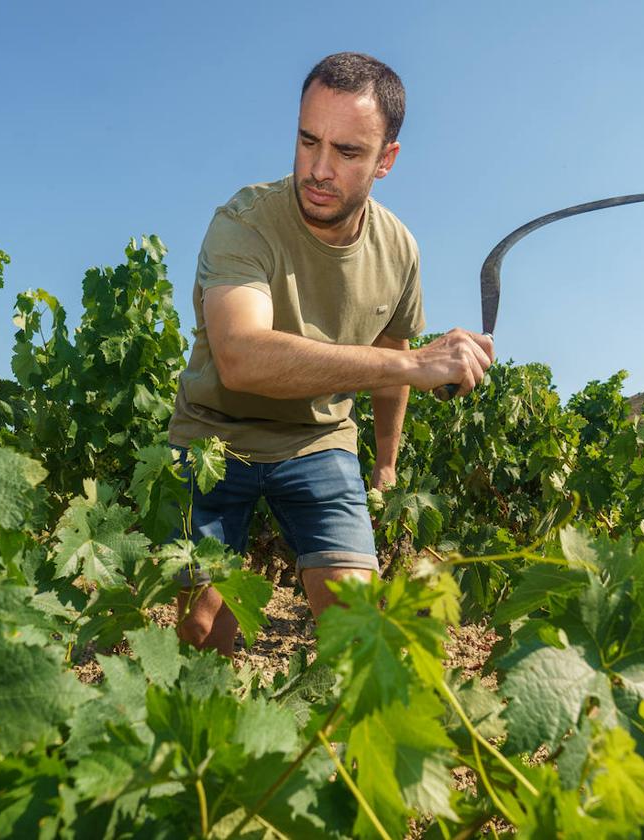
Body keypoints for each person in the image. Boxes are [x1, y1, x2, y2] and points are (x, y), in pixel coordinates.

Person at [167, 52, 494, 655]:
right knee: (203, 632)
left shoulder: (399, 250)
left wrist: (387, 462)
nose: (318, 169)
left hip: (319, 440)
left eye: (347, 152)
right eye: (307, 140)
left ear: (385, 160)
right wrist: (416, 364)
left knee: (360, 633)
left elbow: (393, 353)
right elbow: (241, 356)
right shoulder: (243, 222)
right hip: (214, 433)